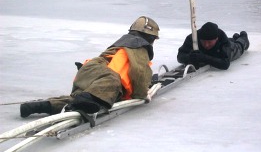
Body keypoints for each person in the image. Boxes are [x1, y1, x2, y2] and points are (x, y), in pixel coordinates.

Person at [20, 16, 160, 117]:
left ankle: (44, 106)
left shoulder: (123, 43)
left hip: (90, 74)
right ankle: (85, 102)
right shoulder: (139, 46)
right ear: (150, 38)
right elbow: (140, 71)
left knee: (84, 99)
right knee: (106, 86)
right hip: (105, 77)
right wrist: (142, 94)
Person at [177, 22, 249, 70]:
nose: (206, 45)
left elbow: (225, 64)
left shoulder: (222, 38)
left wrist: (203, 57)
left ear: (216, 39)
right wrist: (190, 57)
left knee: (239, 46)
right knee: (231, 41)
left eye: (209, 42)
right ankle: (234, 38)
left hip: (227, 50)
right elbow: (180, 56)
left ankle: (243, 36)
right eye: (203, 42)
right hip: (216, 51)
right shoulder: (193, 38)